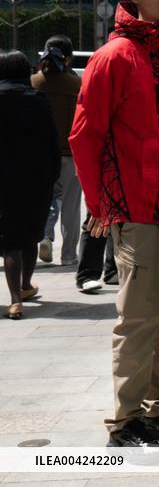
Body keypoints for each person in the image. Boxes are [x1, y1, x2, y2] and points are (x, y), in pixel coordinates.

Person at [69, 0, 159, 463]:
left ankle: (156, 407)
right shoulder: (114, 57)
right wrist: (101, 203)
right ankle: (124, 422)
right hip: (138, 207)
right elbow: (85, 136)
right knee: (138, 320)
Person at [0, 50, 61, 320]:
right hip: (35, 178)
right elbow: (51, 141)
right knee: (30, 233)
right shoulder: (38, 100)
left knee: (9, 239)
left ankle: (15, 300)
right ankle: (25, 287)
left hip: (4, 179)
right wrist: (52, 175)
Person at [31, 36, 83, 267]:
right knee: (71, 206)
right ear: (69, 57)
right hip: (71, 153)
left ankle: (44, 236)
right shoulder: (76, 84)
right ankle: (69, 254)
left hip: (40, 154)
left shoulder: (34, 82)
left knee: (43, 200)